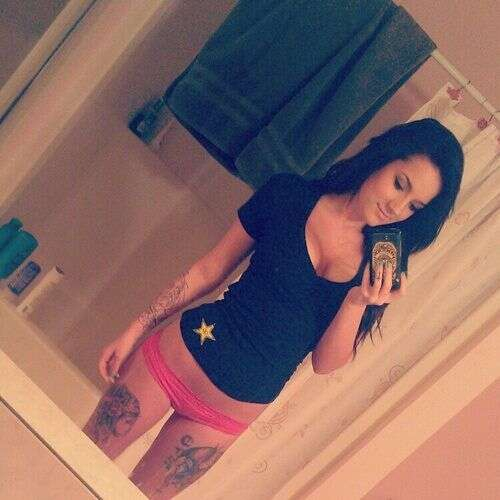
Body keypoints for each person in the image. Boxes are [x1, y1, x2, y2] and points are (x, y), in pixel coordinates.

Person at [82, 118, 463, 498]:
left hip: (223, 417)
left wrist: (356, 302)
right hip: (174, 359)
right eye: (400, 183)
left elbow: (325, 364)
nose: (397, 207)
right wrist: (136, 327)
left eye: (414, 206)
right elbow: (209, 270)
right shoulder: (288, 195)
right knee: (78, 464)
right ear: (381, 158)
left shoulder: (380, 268)